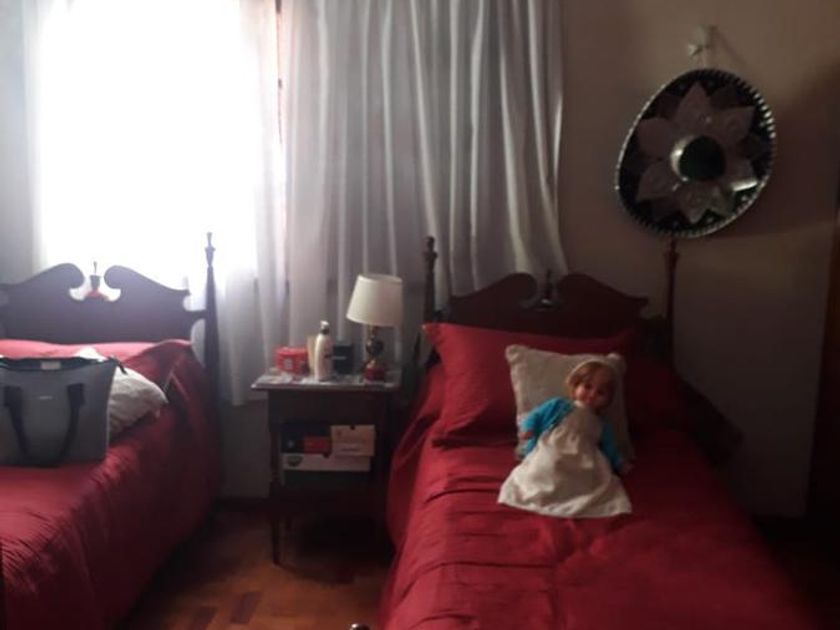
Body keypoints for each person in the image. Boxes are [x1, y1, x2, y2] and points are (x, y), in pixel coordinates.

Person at [498, 356, 632, 518]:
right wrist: (528, 428)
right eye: (587, 386)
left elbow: (609, 447)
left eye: (600, 392)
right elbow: (536, 415)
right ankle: (546, 488)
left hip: (584, 455)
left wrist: (618, 462)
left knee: (587, 474)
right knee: (550, 461)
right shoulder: (559, 405)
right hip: (554, 446)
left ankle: (574, 494)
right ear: (575, 385)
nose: (592, 394)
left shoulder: (601, 424)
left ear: (607, 400)